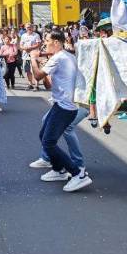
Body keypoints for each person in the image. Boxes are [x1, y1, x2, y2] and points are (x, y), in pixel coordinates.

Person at [29, 31, 92, 192]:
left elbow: (36, 76)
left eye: (48, 40)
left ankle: (78, 174)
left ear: (57, 43)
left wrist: (33, 59)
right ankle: (59, 170)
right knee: (43, 136)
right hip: (60, 104)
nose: (45, 44)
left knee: (49, 143)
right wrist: (43, 66)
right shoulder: (65, 57)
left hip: (65, 107)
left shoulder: (59, 58)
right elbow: (48, 85)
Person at [19, 24, 41, 91]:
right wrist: (24, 48)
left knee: (34, 70)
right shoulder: (23, 35)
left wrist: (31, 48)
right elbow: (21, 45)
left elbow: (39, 44)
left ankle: (36, 85)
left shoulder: (36, 35)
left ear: (32, 27)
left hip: (34, 55)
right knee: (28, 70)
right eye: (28, 27)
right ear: (25, 28)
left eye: (30, 27)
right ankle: (30, 84)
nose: (29, 28)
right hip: (25, 55)